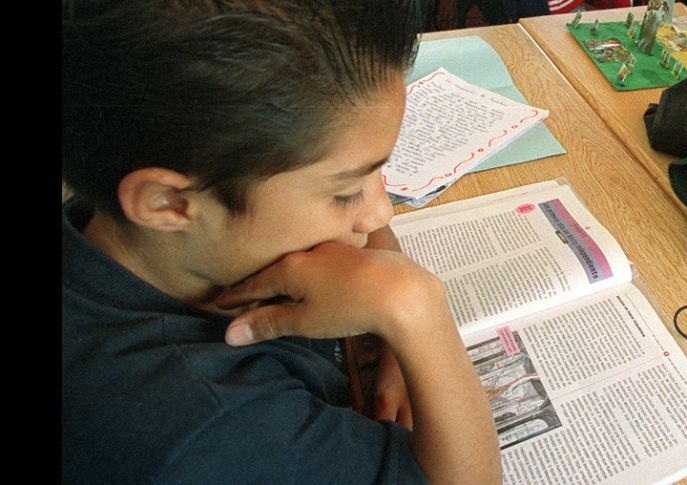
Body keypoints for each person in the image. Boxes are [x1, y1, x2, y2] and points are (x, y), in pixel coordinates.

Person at [62, 0, 503, 483]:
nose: (381, 213)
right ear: (168, 203)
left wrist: (395, 344)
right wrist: (416, 313)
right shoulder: (207, 426)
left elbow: (369, 219)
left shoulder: (111, 214)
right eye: (345, 192)